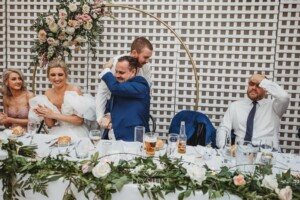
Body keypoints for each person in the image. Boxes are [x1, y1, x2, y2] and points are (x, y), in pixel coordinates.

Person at [216, 73, 290, 149]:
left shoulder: (275, 106)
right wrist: (224, 148)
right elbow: (223, 129)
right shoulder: (235, 106)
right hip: (240, 152)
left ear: (266, 89)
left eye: (258, 85)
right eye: (251, 84)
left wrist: (263, 81)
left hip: (267, 153)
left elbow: (284, 97)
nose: (254, 88)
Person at [29, 58, 96, 138]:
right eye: (53, 75)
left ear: (66, 75)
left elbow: (79, 121)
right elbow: (50, 124)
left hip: (76, 132)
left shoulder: (74, 90)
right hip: (57, 131)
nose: (56, 78)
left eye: (60, 74)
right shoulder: (48, 93)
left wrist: (53, 114)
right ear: (48, 76)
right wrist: (44, 113)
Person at [96, 37, 153, 129]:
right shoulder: (118, 64)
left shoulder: (145, 66)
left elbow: (146, 89)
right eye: (145, 57)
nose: (147, 61)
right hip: (114, 110)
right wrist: (100, 118)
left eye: (148, 58)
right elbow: (103, 92)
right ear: (134, 53)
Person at [99, 56, 150, 141]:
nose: (117, 75)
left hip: (132, 140)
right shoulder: (119, 87)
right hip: (111, 140)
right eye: (116, 72)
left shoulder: (141, 84)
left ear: (133, 72)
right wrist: (108, 116)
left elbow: (115, 88)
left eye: (121, 72)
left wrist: (106, 69)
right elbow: (111, 108)